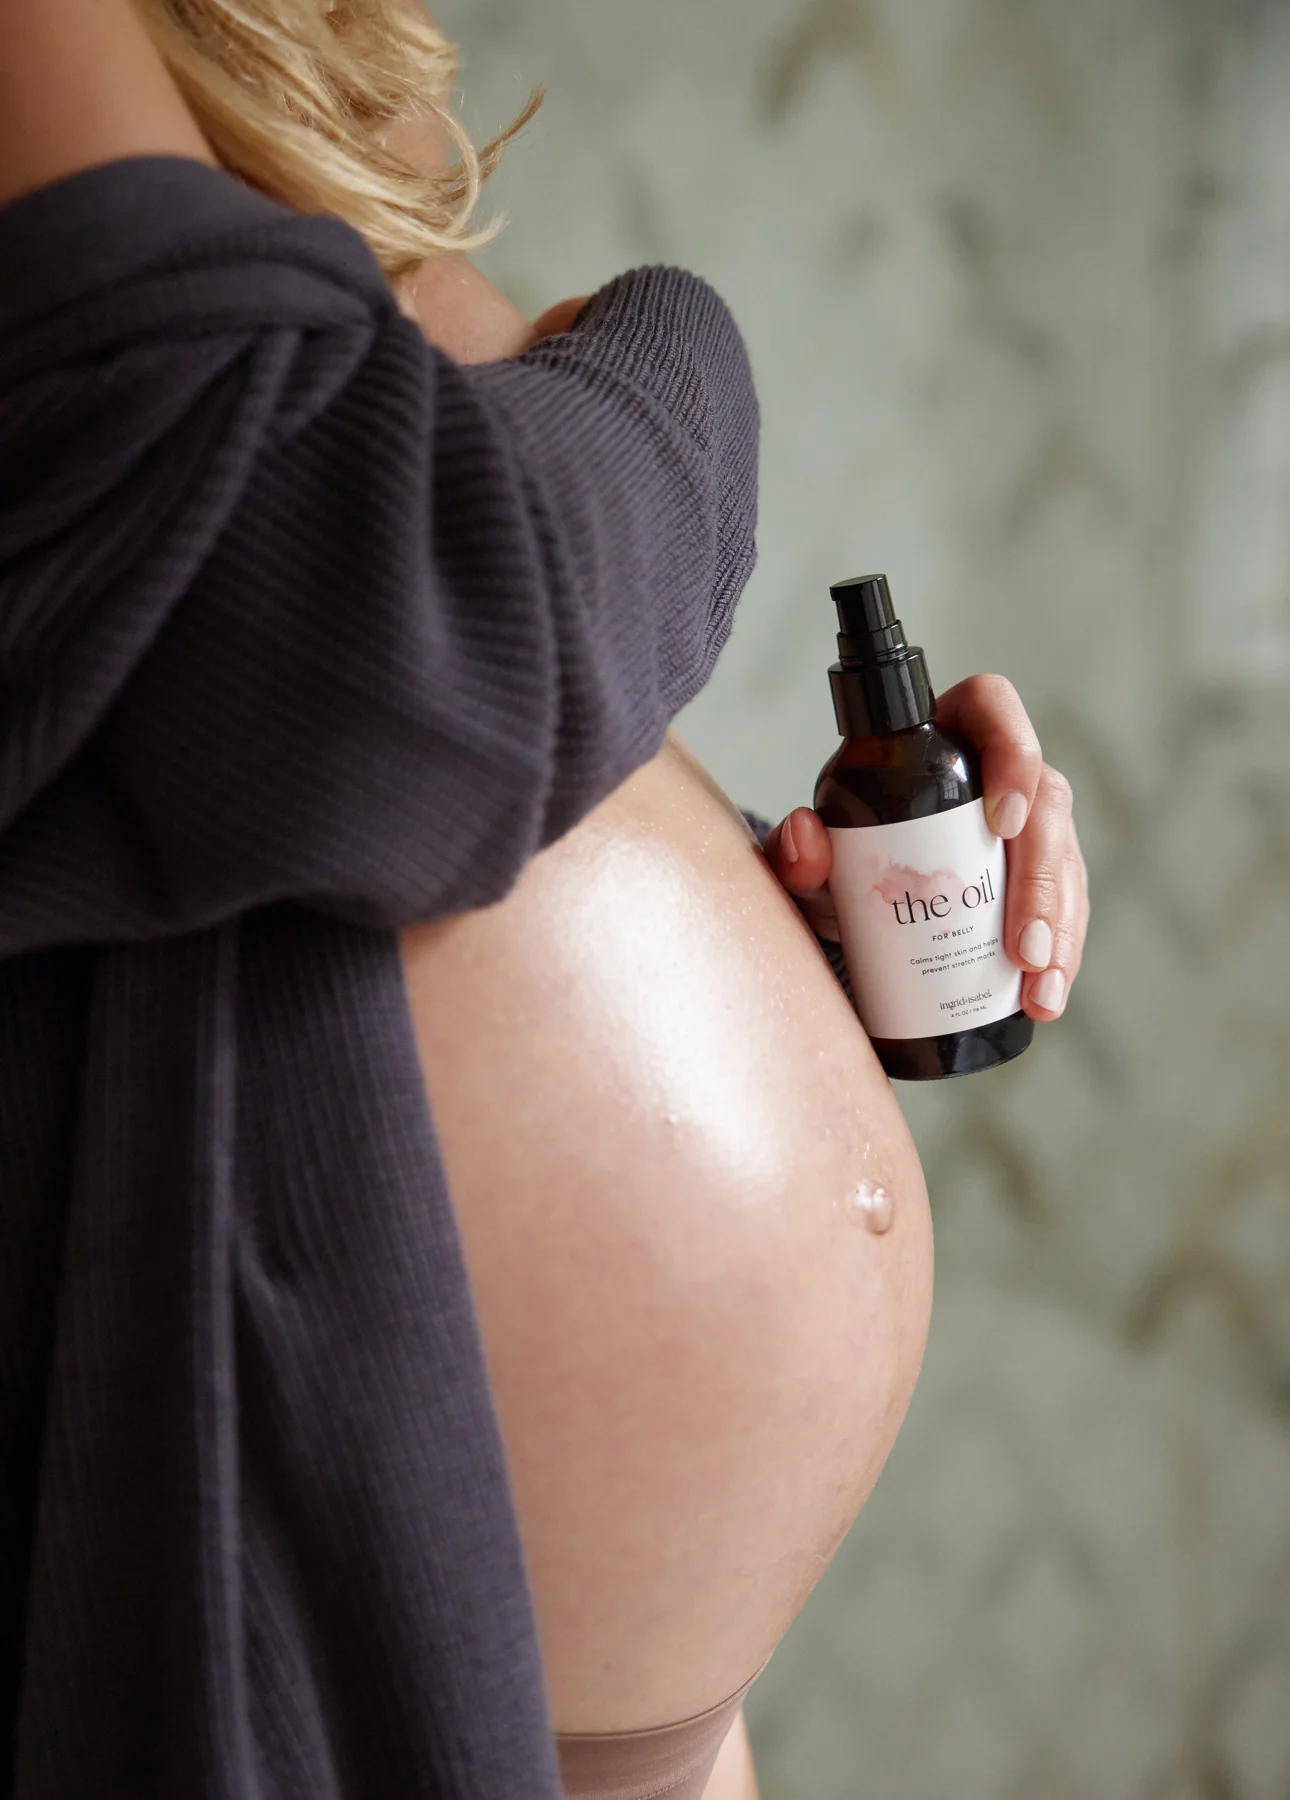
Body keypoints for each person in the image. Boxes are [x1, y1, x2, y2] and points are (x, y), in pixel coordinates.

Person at [0, 4, 1088, 1798]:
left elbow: (241, 701)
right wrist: (667, 351)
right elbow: (392, 658)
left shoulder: (302, 53)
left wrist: (737, 895)